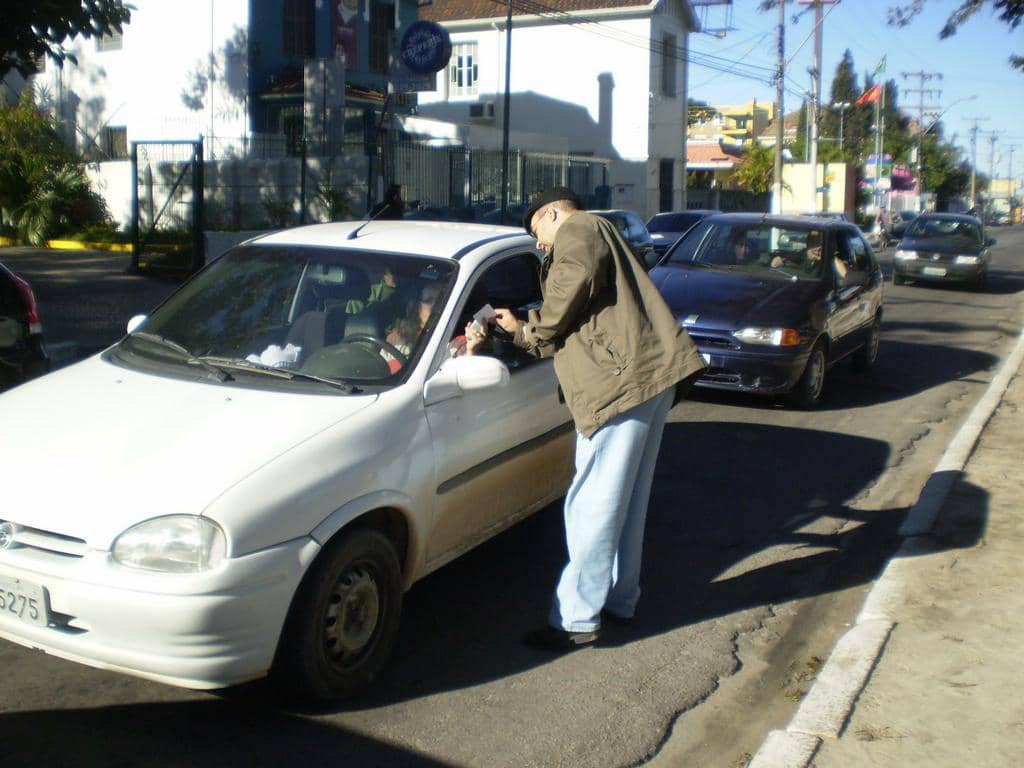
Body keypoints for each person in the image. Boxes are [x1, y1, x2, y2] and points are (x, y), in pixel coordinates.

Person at [486, 187, 706, 651]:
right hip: (643, 377)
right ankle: (619, 599)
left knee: (592, 504)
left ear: (552, 212)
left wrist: (531, 328)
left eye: (536, 232)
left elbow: (573, 283)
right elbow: (584, 306)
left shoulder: (580, 228)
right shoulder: (602, 230)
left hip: (619, 384)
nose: (539, 245)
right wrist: (522, 329)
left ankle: (575, 620)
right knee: (623, 501)